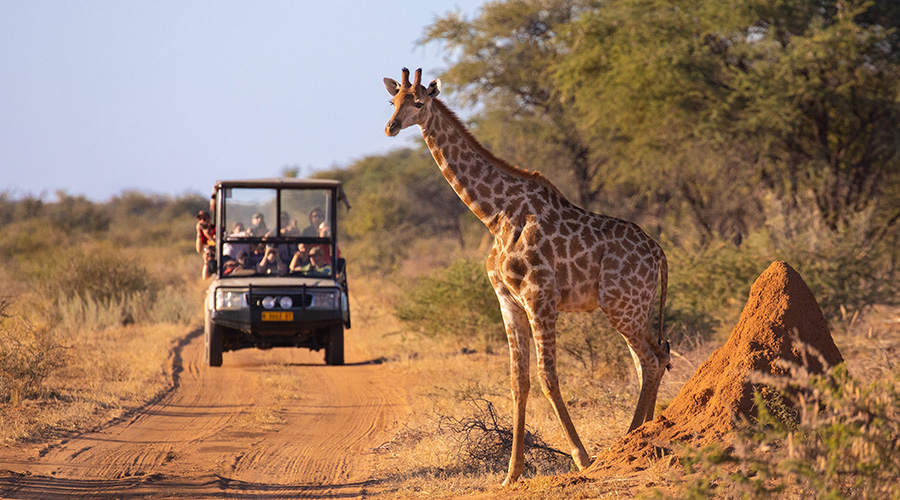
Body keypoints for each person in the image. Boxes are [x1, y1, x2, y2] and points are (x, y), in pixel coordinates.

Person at [195, 210, 216, 278]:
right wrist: (199, 232)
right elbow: (199, 249)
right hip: (209, 256)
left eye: (204, 219)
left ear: (209, 219)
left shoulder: (215, 229)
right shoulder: (202, 233)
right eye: (200, 219)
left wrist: (208, 235)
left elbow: (218, 243)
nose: (202, 221)